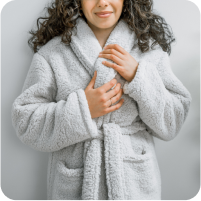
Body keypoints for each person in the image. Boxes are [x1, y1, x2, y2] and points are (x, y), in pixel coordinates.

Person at [11, 0, 192, 200]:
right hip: (75, 186)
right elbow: (26, 123)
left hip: (134, 184)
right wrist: (83, 110)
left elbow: (172, 121)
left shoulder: (149, 51)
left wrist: (139, 77)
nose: (103, 3)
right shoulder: (52, 54)